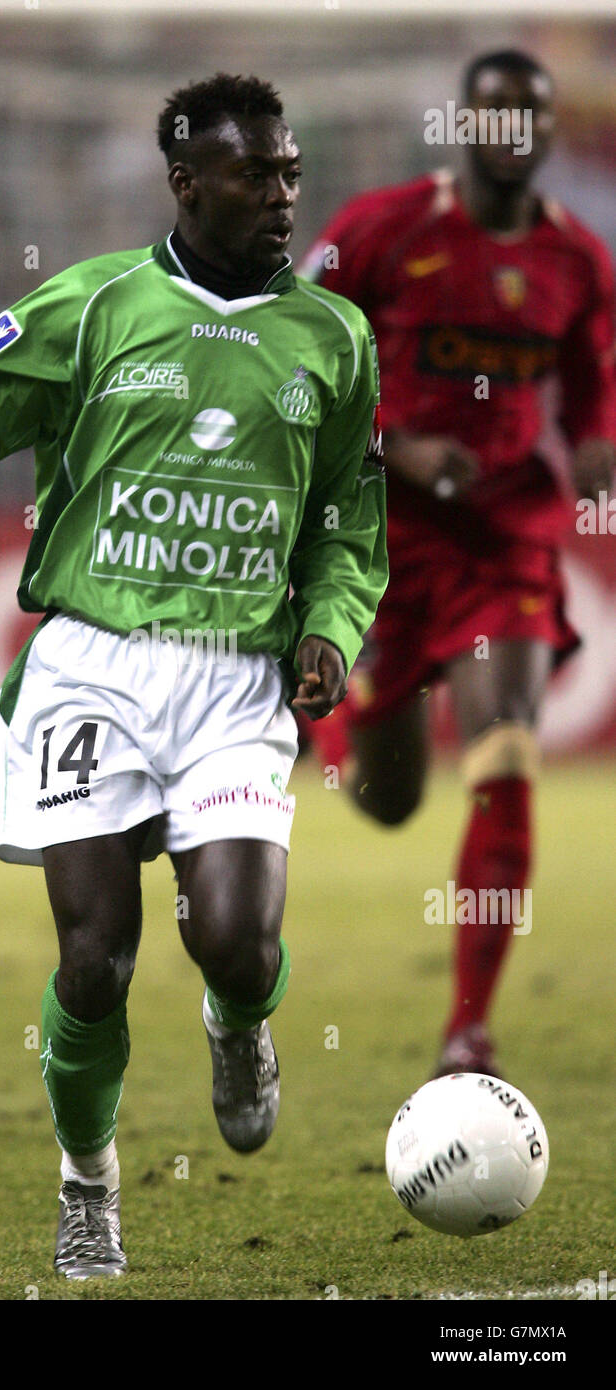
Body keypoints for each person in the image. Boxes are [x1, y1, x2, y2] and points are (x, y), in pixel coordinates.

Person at [0, 72, 387, 1280]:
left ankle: (239, 1023)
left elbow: (345, 520)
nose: (281, 195)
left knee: (229, 940)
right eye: (252, 174)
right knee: (92, 959)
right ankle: (87, 1186)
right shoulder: (98, 304)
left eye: (288, 172)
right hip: (92, 670)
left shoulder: (333, 337)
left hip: (235, 676)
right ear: (184, 180)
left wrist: (329, 625)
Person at [299, 50, 616, 1078]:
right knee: (383, 798)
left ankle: (466, 1029)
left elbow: (593, 381)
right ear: (461, 126)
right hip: (387, 541)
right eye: (493, 116)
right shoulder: (381, 231)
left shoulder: (577, 260)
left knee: (504, 751)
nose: (511, 133)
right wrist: (393, 445)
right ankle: (337, 712)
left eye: (529, 116)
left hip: (504, 541)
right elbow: (298, 356)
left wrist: (600, 442)